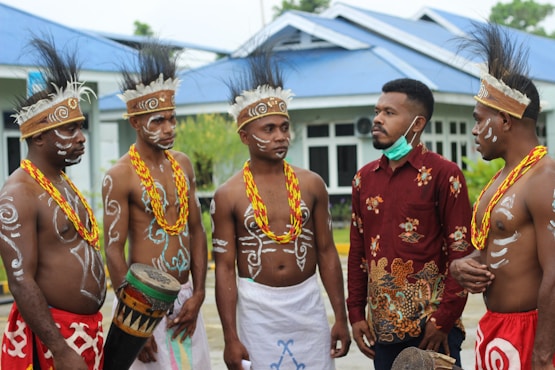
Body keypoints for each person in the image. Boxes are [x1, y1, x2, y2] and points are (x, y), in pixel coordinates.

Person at [211, 49, 351, 370]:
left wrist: (339, 317)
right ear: (245, 136)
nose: (280, 137)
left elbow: (328, 253)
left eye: (284, 127)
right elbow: (224, 268)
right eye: (269, 129)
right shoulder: (228, 194)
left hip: (307, 304)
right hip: (257, 308)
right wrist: (231, 337)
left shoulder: (312, 183)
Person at [347, 78, 473, 370]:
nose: (377, 119)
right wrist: (355, 313)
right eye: (377, 111)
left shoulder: (445, 174)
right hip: (382, 331)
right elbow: (358, 253)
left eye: (389, 113)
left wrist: (443, 320)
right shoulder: (364, 178)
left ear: (417, 124)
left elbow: (461, 253)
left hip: (433, 331)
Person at [450, 23, 555, 369]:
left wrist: (542, 355)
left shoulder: (545, 178)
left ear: (506, 120)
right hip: (496, 330)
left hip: (533, 335)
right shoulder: (502, 179)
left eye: (480, 120)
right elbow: (497, 246)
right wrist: (462, 266)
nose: (475, 130)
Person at [102, 41, 211, 369]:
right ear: (135, 123)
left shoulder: (183, 164)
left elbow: (197, 231)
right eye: (158, 121)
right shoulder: (119, 175)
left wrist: (199, 294)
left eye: (172, 119)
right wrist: (134, 318)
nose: (169, 129)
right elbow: (112, 249)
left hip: (187, 297)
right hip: (141, 300)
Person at [0, 37, 106, 370]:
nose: (81, 137)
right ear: (39, 137)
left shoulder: (61, 182)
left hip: (86, 332)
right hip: (53, 341)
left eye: (81, 128)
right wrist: (59, 349)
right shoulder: (19, 194)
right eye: (70, 129)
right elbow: (19, 279)